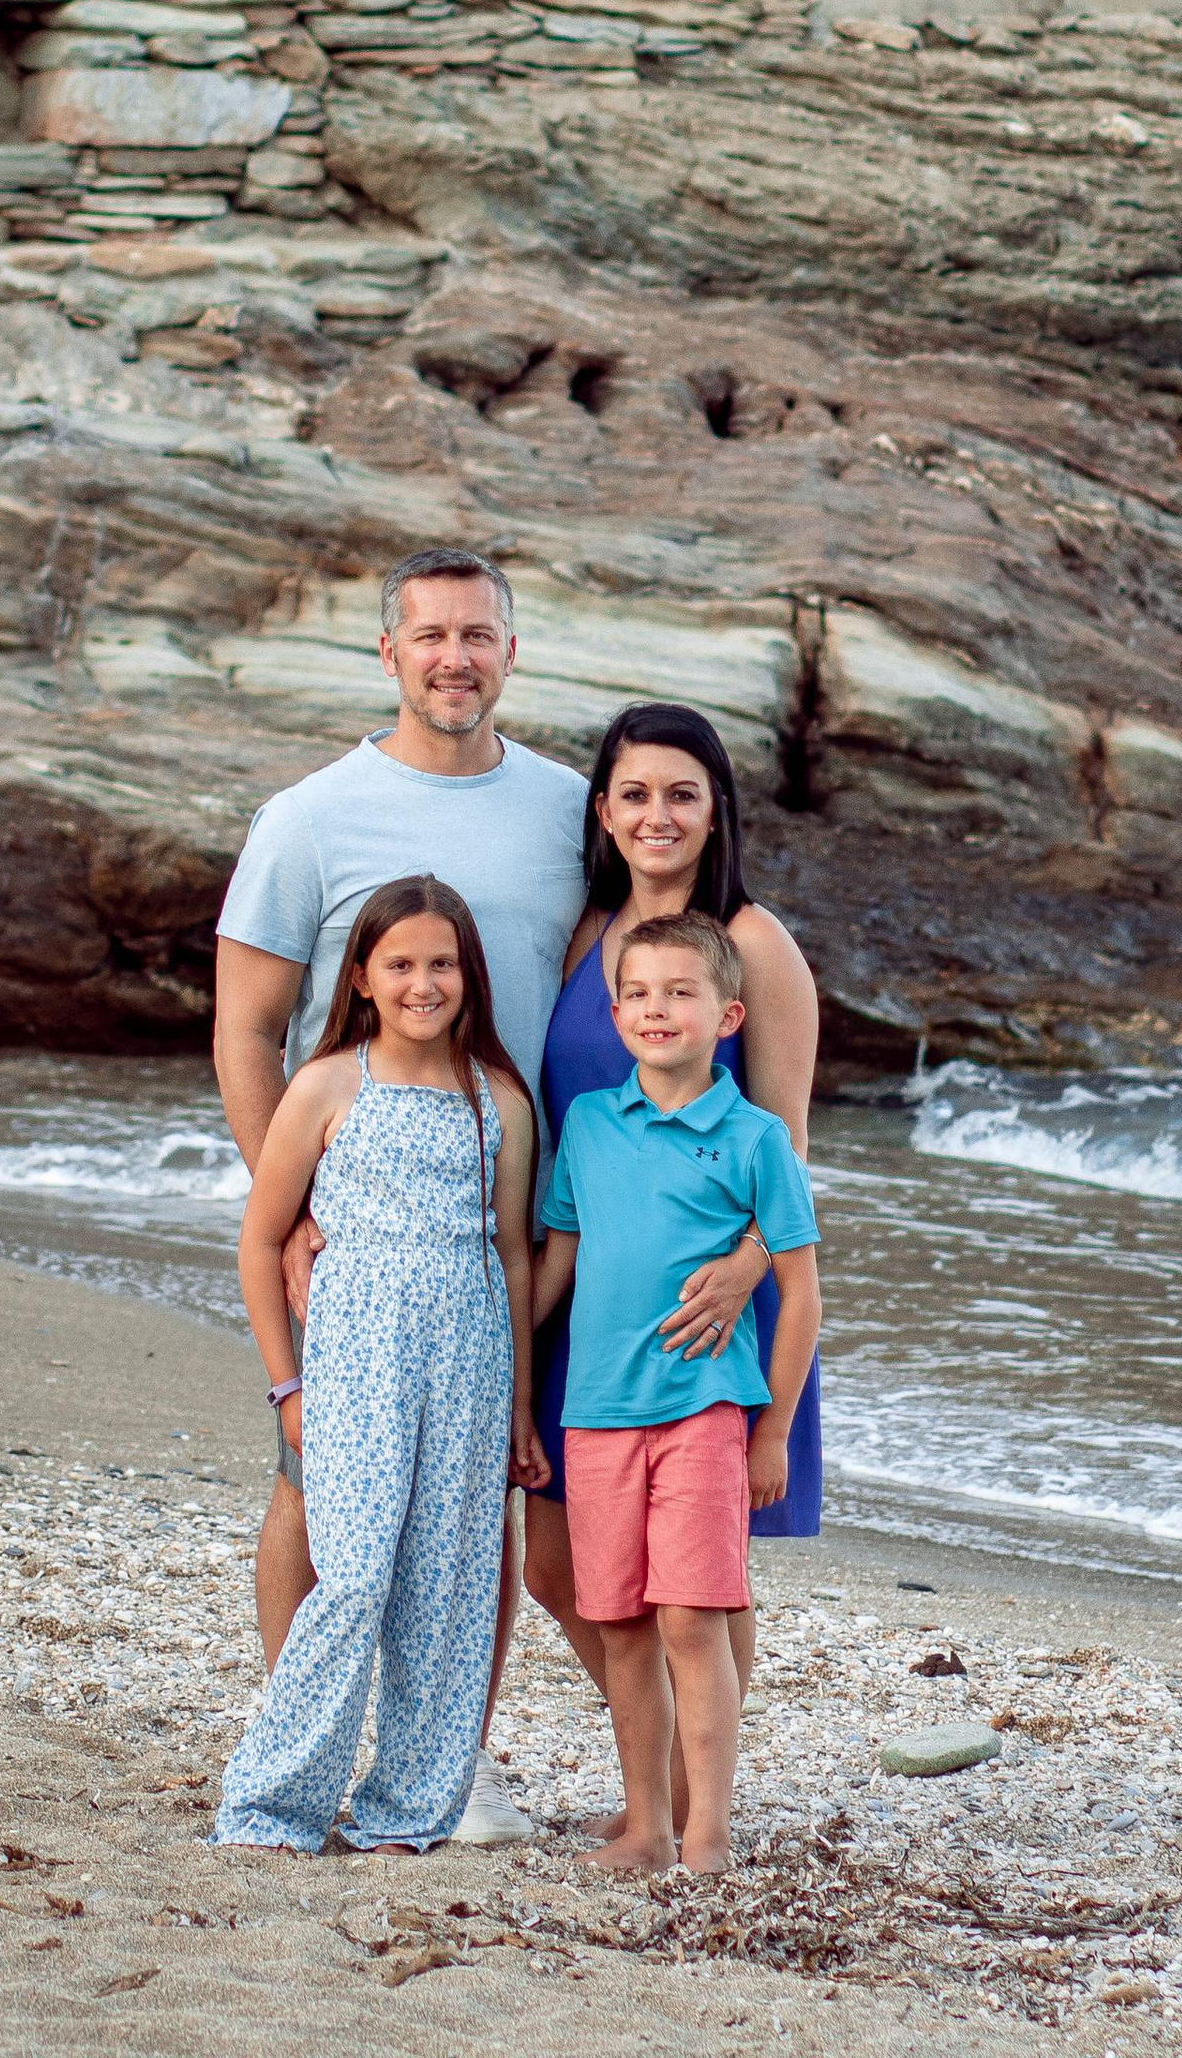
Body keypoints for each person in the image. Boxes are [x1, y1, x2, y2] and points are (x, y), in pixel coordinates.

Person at [211, 553, 764, 1847]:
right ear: (387, 654)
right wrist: (291, 1212)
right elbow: (245, 1033)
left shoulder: (571, 812)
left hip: (546, 1211)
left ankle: (446, 1765)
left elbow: (669, 955)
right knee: (315, 1496)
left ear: (513, 654)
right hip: (365, 1217)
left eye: (479, 635)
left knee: (486, 1523)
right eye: (429, 636)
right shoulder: (311, 816)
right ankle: (305, 1744)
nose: (454, 657)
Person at [216, 880, 545, 1854]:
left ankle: (408, 1810)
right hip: (356, 1368)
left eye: (441, 962)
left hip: (471, 1369)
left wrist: (519, 1406)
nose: (422, 982)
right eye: (399, 963)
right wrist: (288, 1387)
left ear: (468, 976)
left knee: (444, 1591)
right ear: (361, 976)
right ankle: (274, 1806)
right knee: (353, 1578)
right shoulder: (326, 1088)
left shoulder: (499, 1100)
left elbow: (515, 1255)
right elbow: (259, 1240)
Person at [526, 699, 821, 1780]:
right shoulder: (582, 937)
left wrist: (749, 1270)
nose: (658, 815)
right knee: (559, 1571)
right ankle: (672, 1778)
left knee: (700, 1579)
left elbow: (786, 1137)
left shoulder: (752, 945)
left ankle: (705, 1806)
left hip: (715, 1299)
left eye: (681, 795)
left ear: (716, 813)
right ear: (602, 810)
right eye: (636, 794)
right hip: (586, 1288)